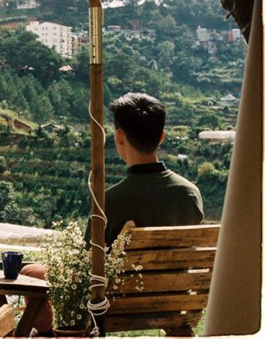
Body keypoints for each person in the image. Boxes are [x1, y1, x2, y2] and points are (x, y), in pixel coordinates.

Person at [21, 92, 204, 335]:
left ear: (118, 136)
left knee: (29, 272)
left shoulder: (108, 201)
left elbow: (85, 267)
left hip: (115, 305)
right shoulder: (190, 193)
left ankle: (46, 335)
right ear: (162, 136)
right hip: (174, 301)